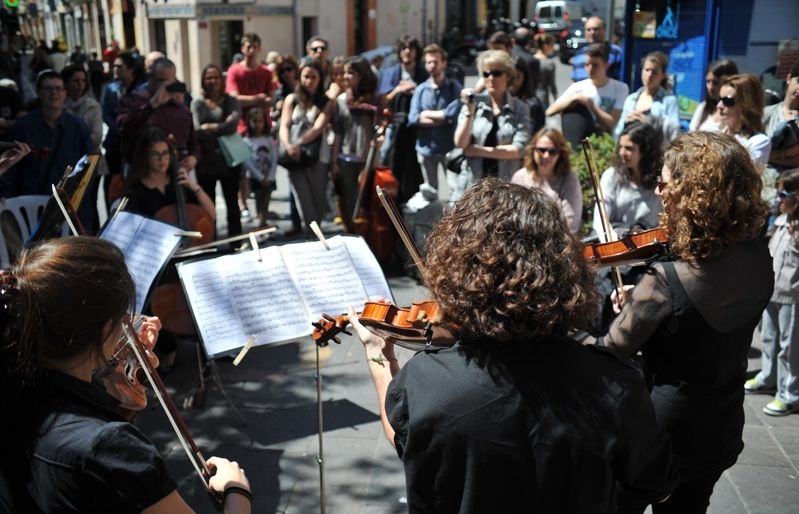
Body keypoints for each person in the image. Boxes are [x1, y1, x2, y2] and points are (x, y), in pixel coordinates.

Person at [350, 178, 677, 512]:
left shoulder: (425, 379)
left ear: (457, 270)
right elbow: (655, 487)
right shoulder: (615, 383)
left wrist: (378, 354)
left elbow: (401, 437)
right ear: (566, 271)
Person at [0, 236, 252, 513]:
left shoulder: (17, 390)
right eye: (124, 321)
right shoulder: (109, 447)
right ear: (107, 329)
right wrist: (237, 492)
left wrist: (123, 368)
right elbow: (101, 445)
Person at [601, 131, 774, 512]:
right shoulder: (760, 257)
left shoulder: (665, 281)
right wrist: (649, 308)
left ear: (692, 192)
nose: (659, 191)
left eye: (663, 183)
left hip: (662, 432)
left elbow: (610, 352)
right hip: (720, 423)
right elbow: (707, 322)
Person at [0, 70, 93, 227]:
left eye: (58, 88)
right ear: (38, 93)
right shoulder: (23, 126)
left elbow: (89, 167)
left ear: (65, 93)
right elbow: (12, 171)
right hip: (31, 208)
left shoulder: (78, 126)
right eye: (48, 88)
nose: (54, 93)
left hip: (68, 207)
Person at [745, 169, 799, 416]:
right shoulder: (780, 222)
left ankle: (789, 394)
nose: (778, 200)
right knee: (769, 337)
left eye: (784, 195)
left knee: (789, 346)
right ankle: (768, 376)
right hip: (773, 291)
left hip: (792, 296)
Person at [453, 50, 530, 201]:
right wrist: (469, 111)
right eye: (486, 74)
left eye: (496, 73)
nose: (491, 78)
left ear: (508, 75)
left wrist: (478, 151)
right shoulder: (473, 103)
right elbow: (461, 144)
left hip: (505, 189)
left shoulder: (520, 108)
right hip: (473, 186)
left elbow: (518, 150)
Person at [279, 59, 334, 231]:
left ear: (320, 79)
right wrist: (289, 146)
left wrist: (298, 144)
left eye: (313, 77)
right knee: (303, 202)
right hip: (294, 156)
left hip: (318, 156)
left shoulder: (327, 102)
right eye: (305, 76)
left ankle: (316, 237)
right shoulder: (291, 99)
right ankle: (311, 237)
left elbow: (318, 127)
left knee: (318, 200)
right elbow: (284, 125)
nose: (309, 81)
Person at [407, 44, 462, 206]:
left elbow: (453, 113)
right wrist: (443, 117)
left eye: (435, 62)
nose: (432, 65)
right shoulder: (421, 90)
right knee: (429, 193)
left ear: (444, 63)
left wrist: (428, 114)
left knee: (455, 194)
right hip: (426, 149)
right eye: (429, 62)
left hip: (449, 150)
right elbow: (413, 118)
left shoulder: (453, 87)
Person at [191, 64, 242, 238]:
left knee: (232, 204)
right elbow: (197, 130)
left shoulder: (231, 101)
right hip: (206, 161)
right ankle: (210, 241)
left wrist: (211, 127)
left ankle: (236, 241)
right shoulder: (197, 102)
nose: (212, 81)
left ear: (222, 79)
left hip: (230, 160)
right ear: (203, 81)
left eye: (216, 77)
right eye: (208, 78)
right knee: (208, 204)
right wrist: (222, 127)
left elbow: (232, 126)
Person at [331, 56, 380, 229]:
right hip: (346, 157)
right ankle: (353, 233)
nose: (345, 77)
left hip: (368, 158)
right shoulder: (341, 101)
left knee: (368, 201)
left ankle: (369, 236)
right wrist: (334, 160)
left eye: (350, 73)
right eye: (345, 72)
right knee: (350, 200)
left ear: (362, 75)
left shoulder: (374, 100)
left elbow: (380, 127)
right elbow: (338, 131)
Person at [378, 35, 428, 203]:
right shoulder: (391, 73)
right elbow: (383, 100)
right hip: (395, 127)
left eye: (411, 48)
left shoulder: (423, 74)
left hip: (417, 128)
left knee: (414, 171)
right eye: (404, 48)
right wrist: (398, 90)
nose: (407, 52)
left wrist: (416, 88)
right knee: (390, 164)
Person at [548, 43, 628, 145]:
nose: (590, 69)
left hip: (604, 146)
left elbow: (612, 123)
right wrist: (574, 99)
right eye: (587, 65)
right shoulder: (577, 87)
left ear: (606, 65)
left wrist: (591, 106)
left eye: (595, 65)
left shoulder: (620, 88)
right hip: (579, 146)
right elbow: (550, 111)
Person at [511, 128, 582, 233]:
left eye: (553, 151)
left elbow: (571, 224)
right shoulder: (519, 177)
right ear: (533, 149)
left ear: (560, 154)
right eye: (542, 150)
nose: (546, 156)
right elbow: (511, 216)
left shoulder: (569, 179)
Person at [614, 51, 680, 141]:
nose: (649, 75)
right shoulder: (631, 99)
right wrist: (627, 122)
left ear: (663, 75)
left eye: (654, 72)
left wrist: (648, 121)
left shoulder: (669, 100)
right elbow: (618, 131)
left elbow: (674, 130)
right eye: (647, 70)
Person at [717, 74, 771, 170]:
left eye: (727, 101)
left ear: (746, 104)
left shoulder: (760, 141)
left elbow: (741, 175)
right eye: (720, 99)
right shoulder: (717, 130)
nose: (719, 106)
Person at [226, 33, 274, 136]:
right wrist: (258, 98)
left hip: (264, 129)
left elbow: (271, 99)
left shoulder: (267, 72)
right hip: (241, 128)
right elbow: (234, 99)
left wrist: (247, 101)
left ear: (259, 49)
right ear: (242, 48)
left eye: (255, 47)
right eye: (248, 47)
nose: (252, 50)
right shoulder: (234, 71)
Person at [243, 108, 277, 229]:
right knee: (257, 200)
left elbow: (274, 158)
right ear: (249, 122)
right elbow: (247, 162)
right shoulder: (246, 141)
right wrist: (260, 177)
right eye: (255, 121)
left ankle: (264, 222)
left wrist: (271, 176)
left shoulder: (268, 139)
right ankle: (259, 223)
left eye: (260, 121)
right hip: (255, 177)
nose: (257, 124)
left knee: (266, 200)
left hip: (269, 175)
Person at [689, 59, 738, 132]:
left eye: (715, 83)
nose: (710, 87)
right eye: (708, 82)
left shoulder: (735, 112)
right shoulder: (704, 107)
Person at [570, 16, 623, 82]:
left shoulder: (616, 52)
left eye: (596, 29)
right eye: (588, 30)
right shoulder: (579, 54)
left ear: (604, 30)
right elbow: (574, 80)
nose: (592, 32)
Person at [532, 32, 558, 108]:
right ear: (546, 46)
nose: (553, 48)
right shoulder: (549, 63)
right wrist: (556, 100)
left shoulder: (530, 59)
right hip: (542, 99)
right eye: (552, 45)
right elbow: (552, 85)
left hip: (530, 98)